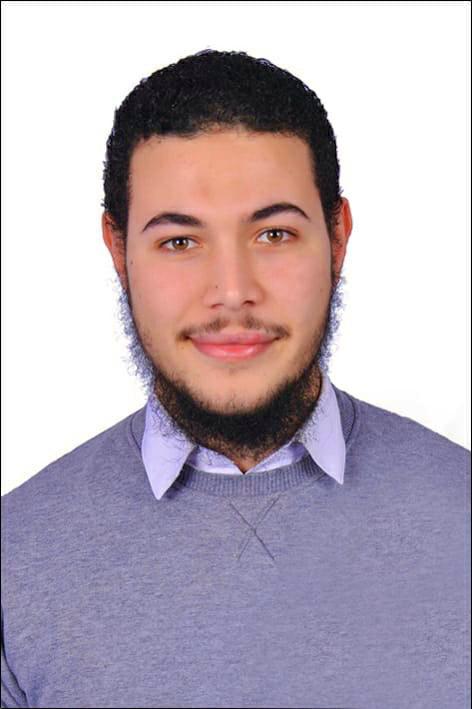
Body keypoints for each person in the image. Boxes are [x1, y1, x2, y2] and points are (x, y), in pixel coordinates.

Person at [1, 49, 470, 709]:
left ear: (337, 238)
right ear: (118, 250)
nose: (231, 291)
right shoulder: (14, 558)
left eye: (273, 234)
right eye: (179, 242)